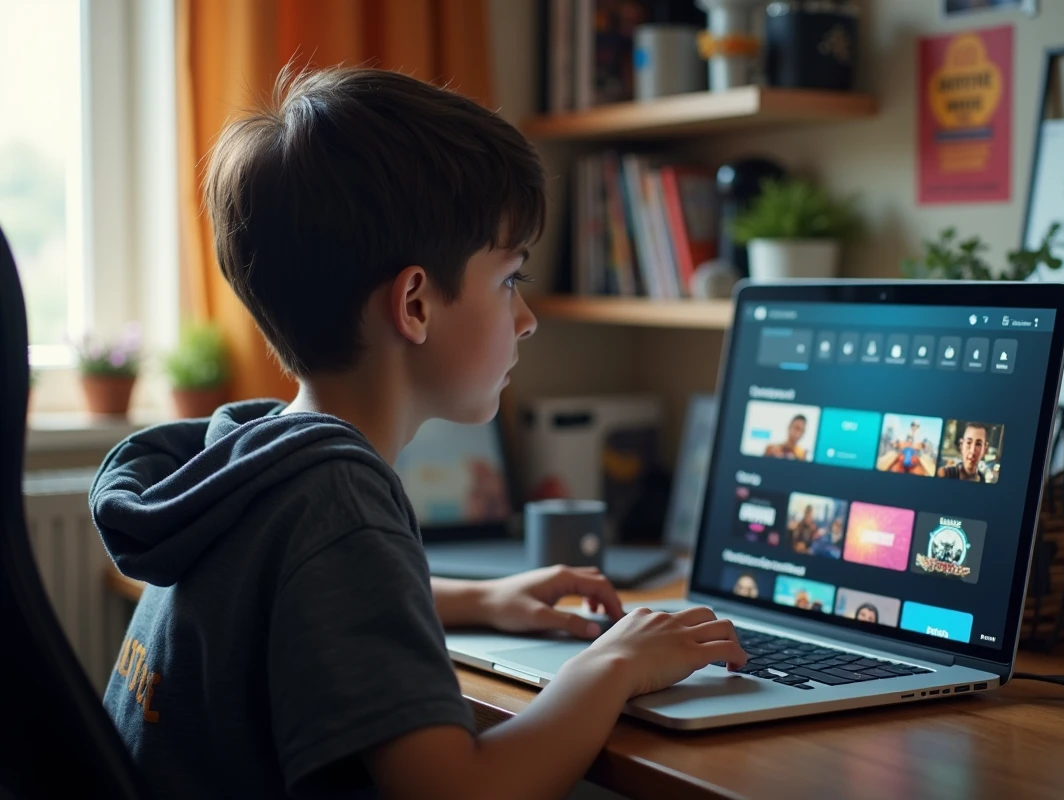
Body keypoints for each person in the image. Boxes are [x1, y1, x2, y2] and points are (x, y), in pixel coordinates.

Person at [89, 66, 747, 800]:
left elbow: (301, 602)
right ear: (415, 304)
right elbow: (457, 793)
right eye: (508, 280)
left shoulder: (253, 458)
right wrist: (615, 663)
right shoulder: (339, 498)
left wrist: (476, 599)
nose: (526, 319)